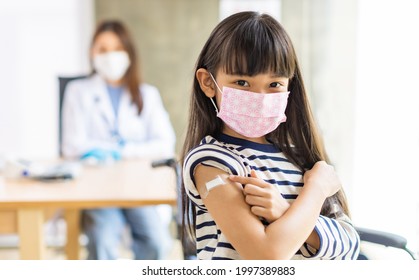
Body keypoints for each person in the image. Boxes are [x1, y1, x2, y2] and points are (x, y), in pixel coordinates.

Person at [181, 11, 360, 260]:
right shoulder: (211, 162)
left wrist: (284, 212)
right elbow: (266, 256)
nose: (260, 98)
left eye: (274, 84)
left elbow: (350, 245)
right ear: (208, 82)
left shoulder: (298, 154)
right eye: (242, 82)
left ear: (289, 86)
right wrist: (316, 189)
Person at [62, 20, 175, 260]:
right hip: (98, 187)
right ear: (92, 53)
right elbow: (72, 145)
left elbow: (164, 143)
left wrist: (121, 151)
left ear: (129, 53)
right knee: (102, 239)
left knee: (156, 241)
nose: (110, 56)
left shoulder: (147, 94)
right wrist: (126, 150)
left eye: (117, 49)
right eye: (103, 49)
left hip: (138, 186)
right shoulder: (78, 91)